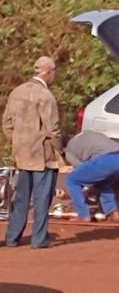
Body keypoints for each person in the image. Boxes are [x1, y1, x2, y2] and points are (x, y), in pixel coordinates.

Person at [2, 56, 62, 248]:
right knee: (42, 198)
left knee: (21, 198)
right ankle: (39, 238)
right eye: (53, 72)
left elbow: (7, 124)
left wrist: (19, 142)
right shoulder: (46, 96)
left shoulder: (17, 92)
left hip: (22, 154)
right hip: (42, 155)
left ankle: (12, 238)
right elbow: (53, 130)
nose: (54, 76)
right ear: (47, 72)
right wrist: (59, 151)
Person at [63, 131, 119, 222]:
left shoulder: (68, 150)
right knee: (102, 184)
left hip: (104, 160)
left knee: (72, 181)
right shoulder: (87, 133)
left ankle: (83, 215)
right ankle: (113, 213)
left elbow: (81, 169)